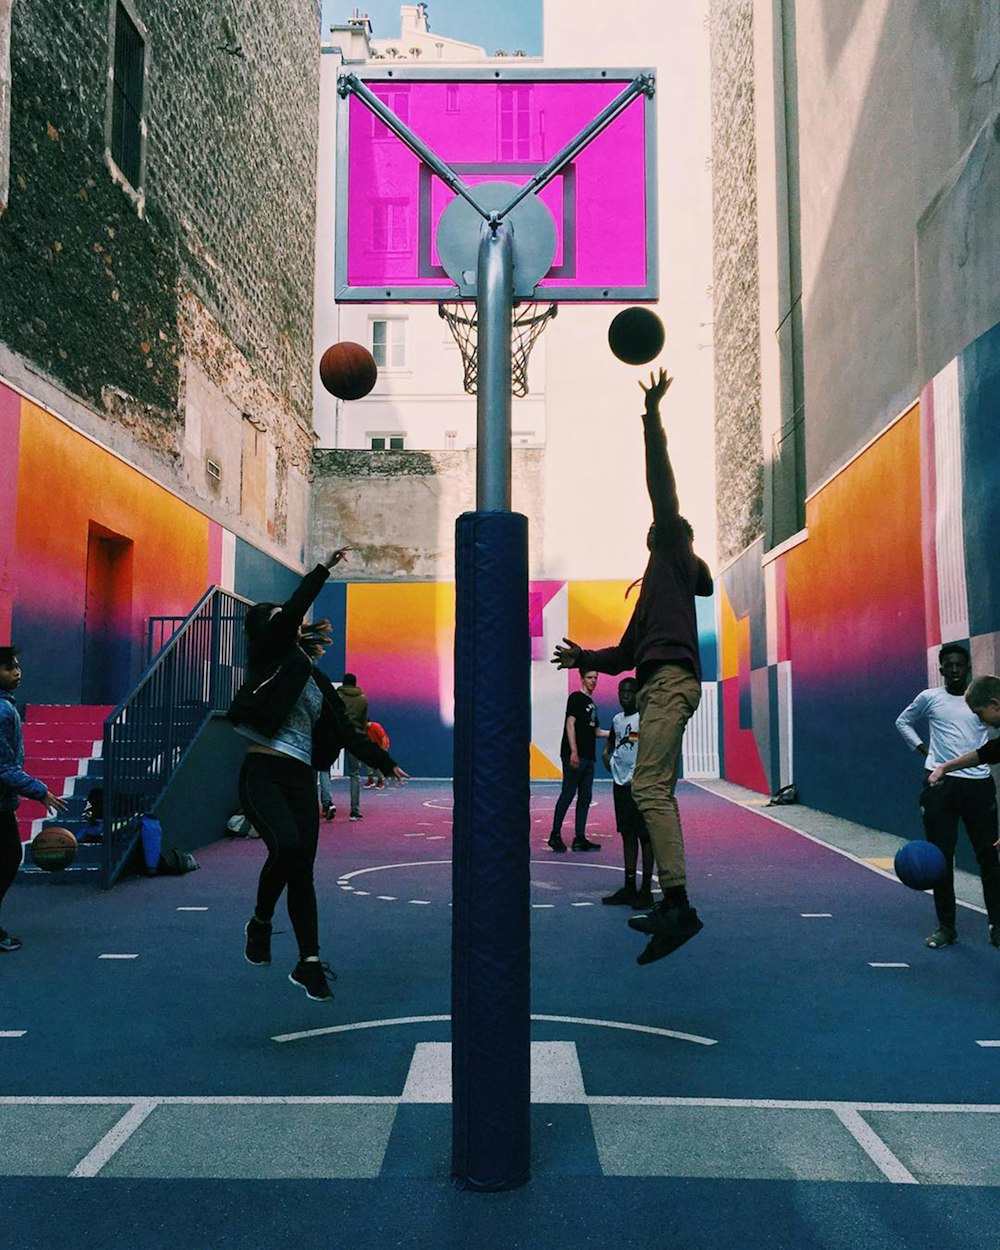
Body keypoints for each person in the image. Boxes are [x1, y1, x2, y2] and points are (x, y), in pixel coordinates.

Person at [552, 369, 713, 965]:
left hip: (671, 685)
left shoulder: (673, 551)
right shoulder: (650, 594)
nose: (653, 525)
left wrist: (652, 418)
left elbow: (661, 487)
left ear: (677, 538)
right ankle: (671, 901)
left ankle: (679, 905)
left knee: (648, 787)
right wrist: (583, 658)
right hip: (655, 686)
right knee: (651, 789)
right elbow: (623, 654)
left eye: (663, 526)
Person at [228, 549, 408, 1001]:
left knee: (302, 871)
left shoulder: (312, 677)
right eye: (275, 617)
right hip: (263, 772)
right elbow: (288, 616)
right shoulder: (269, 656)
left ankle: (308, 963)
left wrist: (382, 761)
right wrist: (323, 570)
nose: (284, 619)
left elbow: (345, 730)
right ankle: (261, 922)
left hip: (299, 780)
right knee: (286, 847)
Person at [895, 646, 1000, 950]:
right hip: (940, 785)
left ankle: (997, 925)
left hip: (978, 785)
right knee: (941, 858)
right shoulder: (930, 698)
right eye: (948, 665)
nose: (954, 669)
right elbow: (903, 722)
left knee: (990, 856)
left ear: (968, 667)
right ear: (941, 670)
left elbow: (987, 753)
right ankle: (947, 927)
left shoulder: (978, 699)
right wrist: (926, 753)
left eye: (959, 664)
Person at [0, 646, 69, 952]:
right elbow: (3, 766)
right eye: (7, 668)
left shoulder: (6, 707)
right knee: (9, 858)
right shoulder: (2, 711)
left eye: (16, 666)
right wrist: (40, 791)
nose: (17, 672)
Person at [924, 672, 1000, 948]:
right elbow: (988, 752)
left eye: (980, 715)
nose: (980, 721)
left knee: (990, 856)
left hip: (979, 791)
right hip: (950, 781)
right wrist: (944, 767)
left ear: (995, 705)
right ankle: (947, 926)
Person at [600, 677, 654, 908]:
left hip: (640, 785)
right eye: (621, 691)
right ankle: (629, 886)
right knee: (627, 834)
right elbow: (611, 745)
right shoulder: (617, 720)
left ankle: (646, 890)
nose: (625, 695)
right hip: (620, 784)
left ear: (638, 694)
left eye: (630, 691)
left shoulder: (645, 719)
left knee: (645, 836)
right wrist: (607, 758)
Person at [547, 669, 607, 853]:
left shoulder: (592, 704)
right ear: (582, 679)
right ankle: (555, 835)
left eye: (596, 677)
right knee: (568, 793)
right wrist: (573, 751)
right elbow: (570, 723)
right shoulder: (576, 698)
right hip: (575, 755)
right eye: (590, 677)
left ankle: (579, 838)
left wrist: (617, 733)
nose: (593, 681)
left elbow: (596, 732)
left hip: (589, 757)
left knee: (585, 797)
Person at [338, 673, 369, 821]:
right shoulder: (362, 699)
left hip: (336, 735)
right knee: (354, 773)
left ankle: (326, 803)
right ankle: (354, 811)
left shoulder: (337, 696)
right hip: (354, 735)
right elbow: (363, 722)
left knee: (323, 769)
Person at [364, 720, 390, 790]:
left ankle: (380, 781)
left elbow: (383, 738)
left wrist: (382, 750)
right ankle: (370, 780)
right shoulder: (363, 728)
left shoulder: (376, 726)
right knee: (368, 763)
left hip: (382, 746)